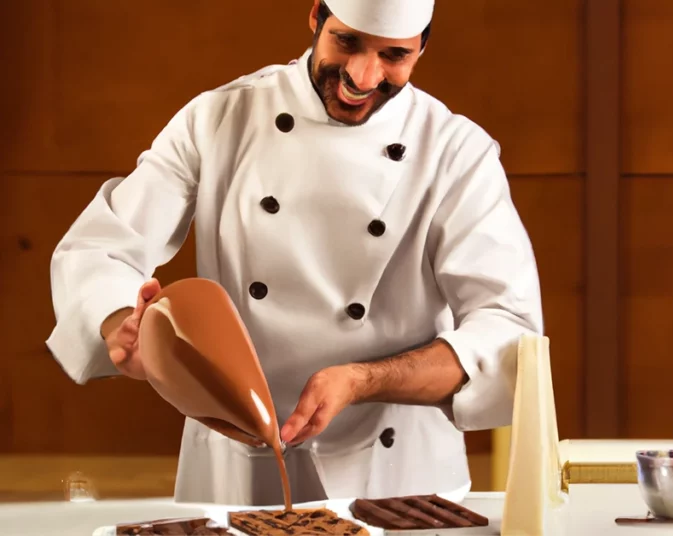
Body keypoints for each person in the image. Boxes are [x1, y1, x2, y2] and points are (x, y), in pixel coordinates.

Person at [45, 0, 544, 506]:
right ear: (315, 18)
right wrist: (118, 322)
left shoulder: (456, 153)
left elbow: (510, 329)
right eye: (347, 42)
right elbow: (103, 247)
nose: (362, 76)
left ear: (422, 48)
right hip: (238, 460)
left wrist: (360, 380)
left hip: (396, 472)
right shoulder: (220, 117)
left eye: (393, 55)